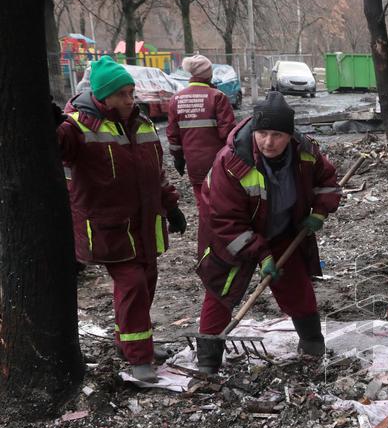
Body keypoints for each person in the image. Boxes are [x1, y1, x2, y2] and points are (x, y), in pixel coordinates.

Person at [194, 91, 340, 374]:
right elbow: (225, 219)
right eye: (262, 133)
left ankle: (312, 343)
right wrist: (261, 255)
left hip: (283, 229)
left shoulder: (306, 152)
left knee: (296, 284)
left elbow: (328, 181)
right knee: (221, 291)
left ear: (290, 134)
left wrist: (320, 212)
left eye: (277, 135)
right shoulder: (232, 162)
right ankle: (208, 362)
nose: (269, 142)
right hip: (231, 237)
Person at [57, 56, 182, 383]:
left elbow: (156, 173)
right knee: (133, 287)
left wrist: (171, 207)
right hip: (109, 229)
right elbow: (57, 147)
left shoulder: (140, 123)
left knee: (146, 284)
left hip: (144, 225)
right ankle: (140, 359)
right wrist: (47, 125)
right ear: (103, 96)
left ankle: (129, 341)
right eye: (122, 94)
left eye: (131, 92)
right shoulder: (78, 126)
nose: (130, 100)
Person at [166, 54, 236, 262]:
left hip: (194, 165)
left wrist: (178, 158)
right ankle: (221, 248)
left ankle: (205, 250)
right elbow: (228, 134)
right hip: (218, 165)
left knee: (203, 207)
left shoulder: (176, 99)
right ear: (208, 74)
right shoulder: (217, 97)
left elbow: (173, 134)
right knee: (222, 207)